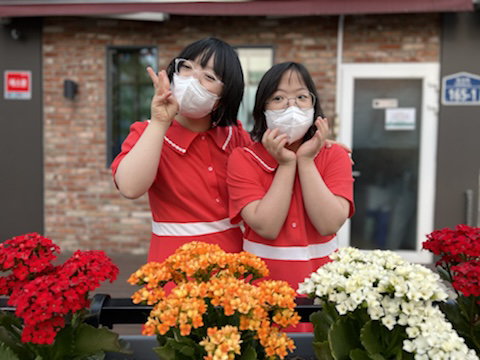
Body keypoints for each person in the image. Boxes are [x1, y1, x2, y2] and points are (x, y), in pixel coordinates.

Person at [111, 37, 251, 263]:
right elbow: (129, 187)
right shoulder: (147, 132)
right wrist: (159, 121)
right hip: (173, 267)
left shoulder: (236, 137)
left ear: (224, 98)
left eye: (209, 76)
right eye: (187, 67)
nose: (193, 79)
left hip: (234, 264)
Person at [226, 62, 355, 291]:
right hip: (260, 289)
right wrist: (287, 164)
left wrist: (305, 161)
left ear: (314, 106)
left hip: (323, 286)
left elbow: (329, 224)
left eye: (302, 97)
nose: (291, 107)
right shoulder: (243, 158)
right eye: (278, 99)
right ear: (262, 109)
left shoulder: (335, 155)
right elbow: (266, 227)